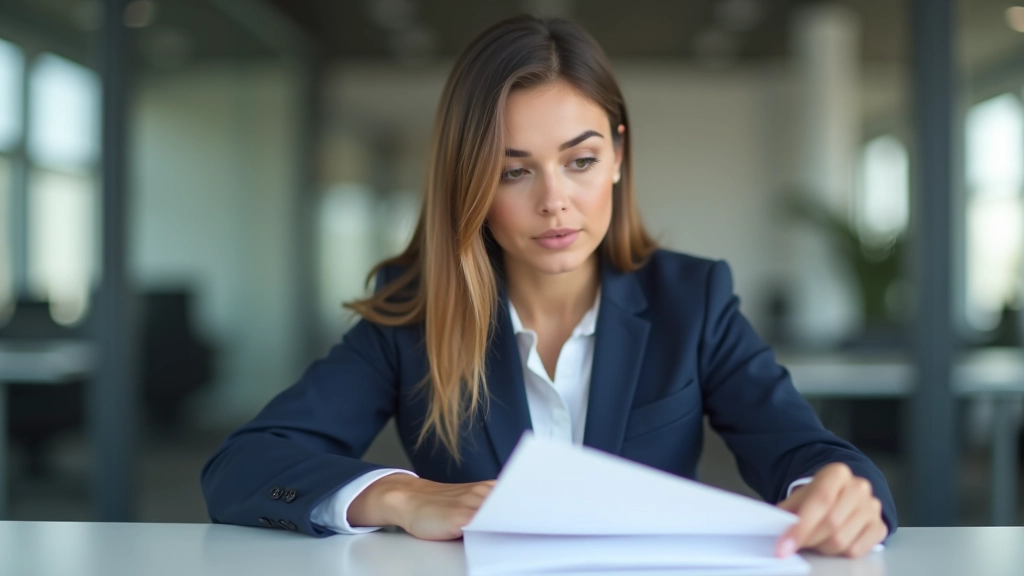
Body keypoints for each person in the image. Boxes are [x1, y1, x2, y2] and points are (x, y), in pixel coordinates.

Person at [201, 14, 896, 559]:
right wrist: (402, 496)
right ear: (469, 183)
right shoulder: (414, 309)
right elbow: (242, 467)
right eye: (513, 171)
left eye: (581, 160)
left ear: (619, 156)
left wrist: (830, 494)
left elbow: (810, 452)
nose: (555, 202)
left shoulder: (694, 299)